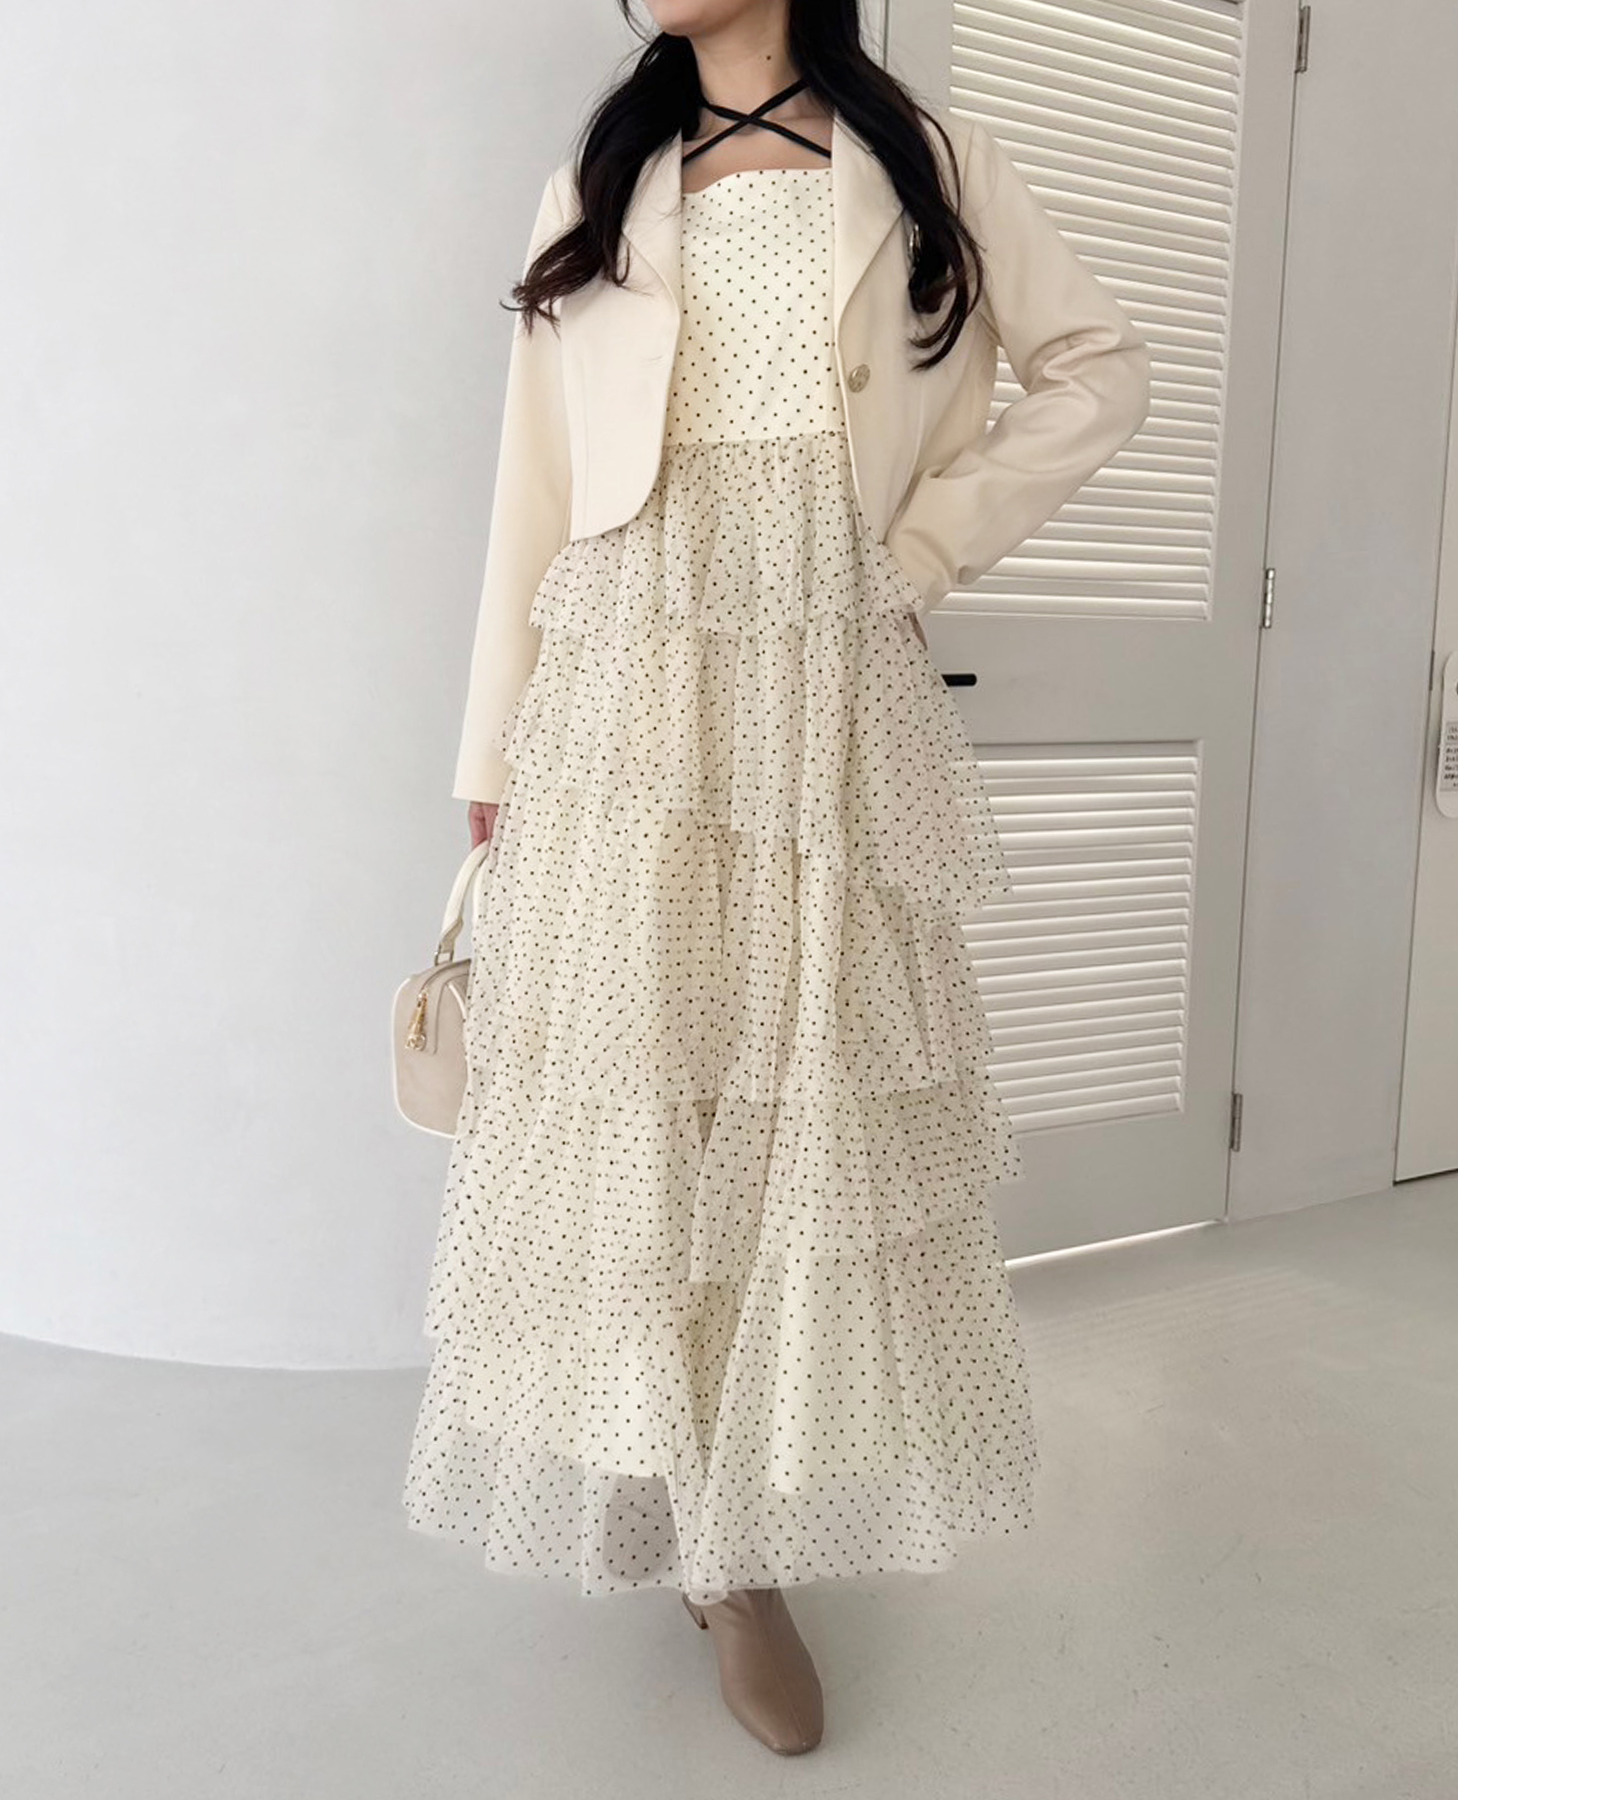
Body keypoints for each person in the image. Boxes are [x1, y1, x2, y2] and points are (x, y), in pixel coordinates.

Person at [403, 0, 1150, 1756]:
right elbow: (533, 484)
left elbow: (1101, 368)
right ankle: (704, 1542)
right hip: (627, 686)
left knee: (803, 1096)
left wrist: (924, 546)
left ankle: (748, 1535)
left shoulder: (928, 162)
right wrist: (492, 757)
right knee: (648, 1102)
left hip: (826, 686)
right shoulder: (601, 181)